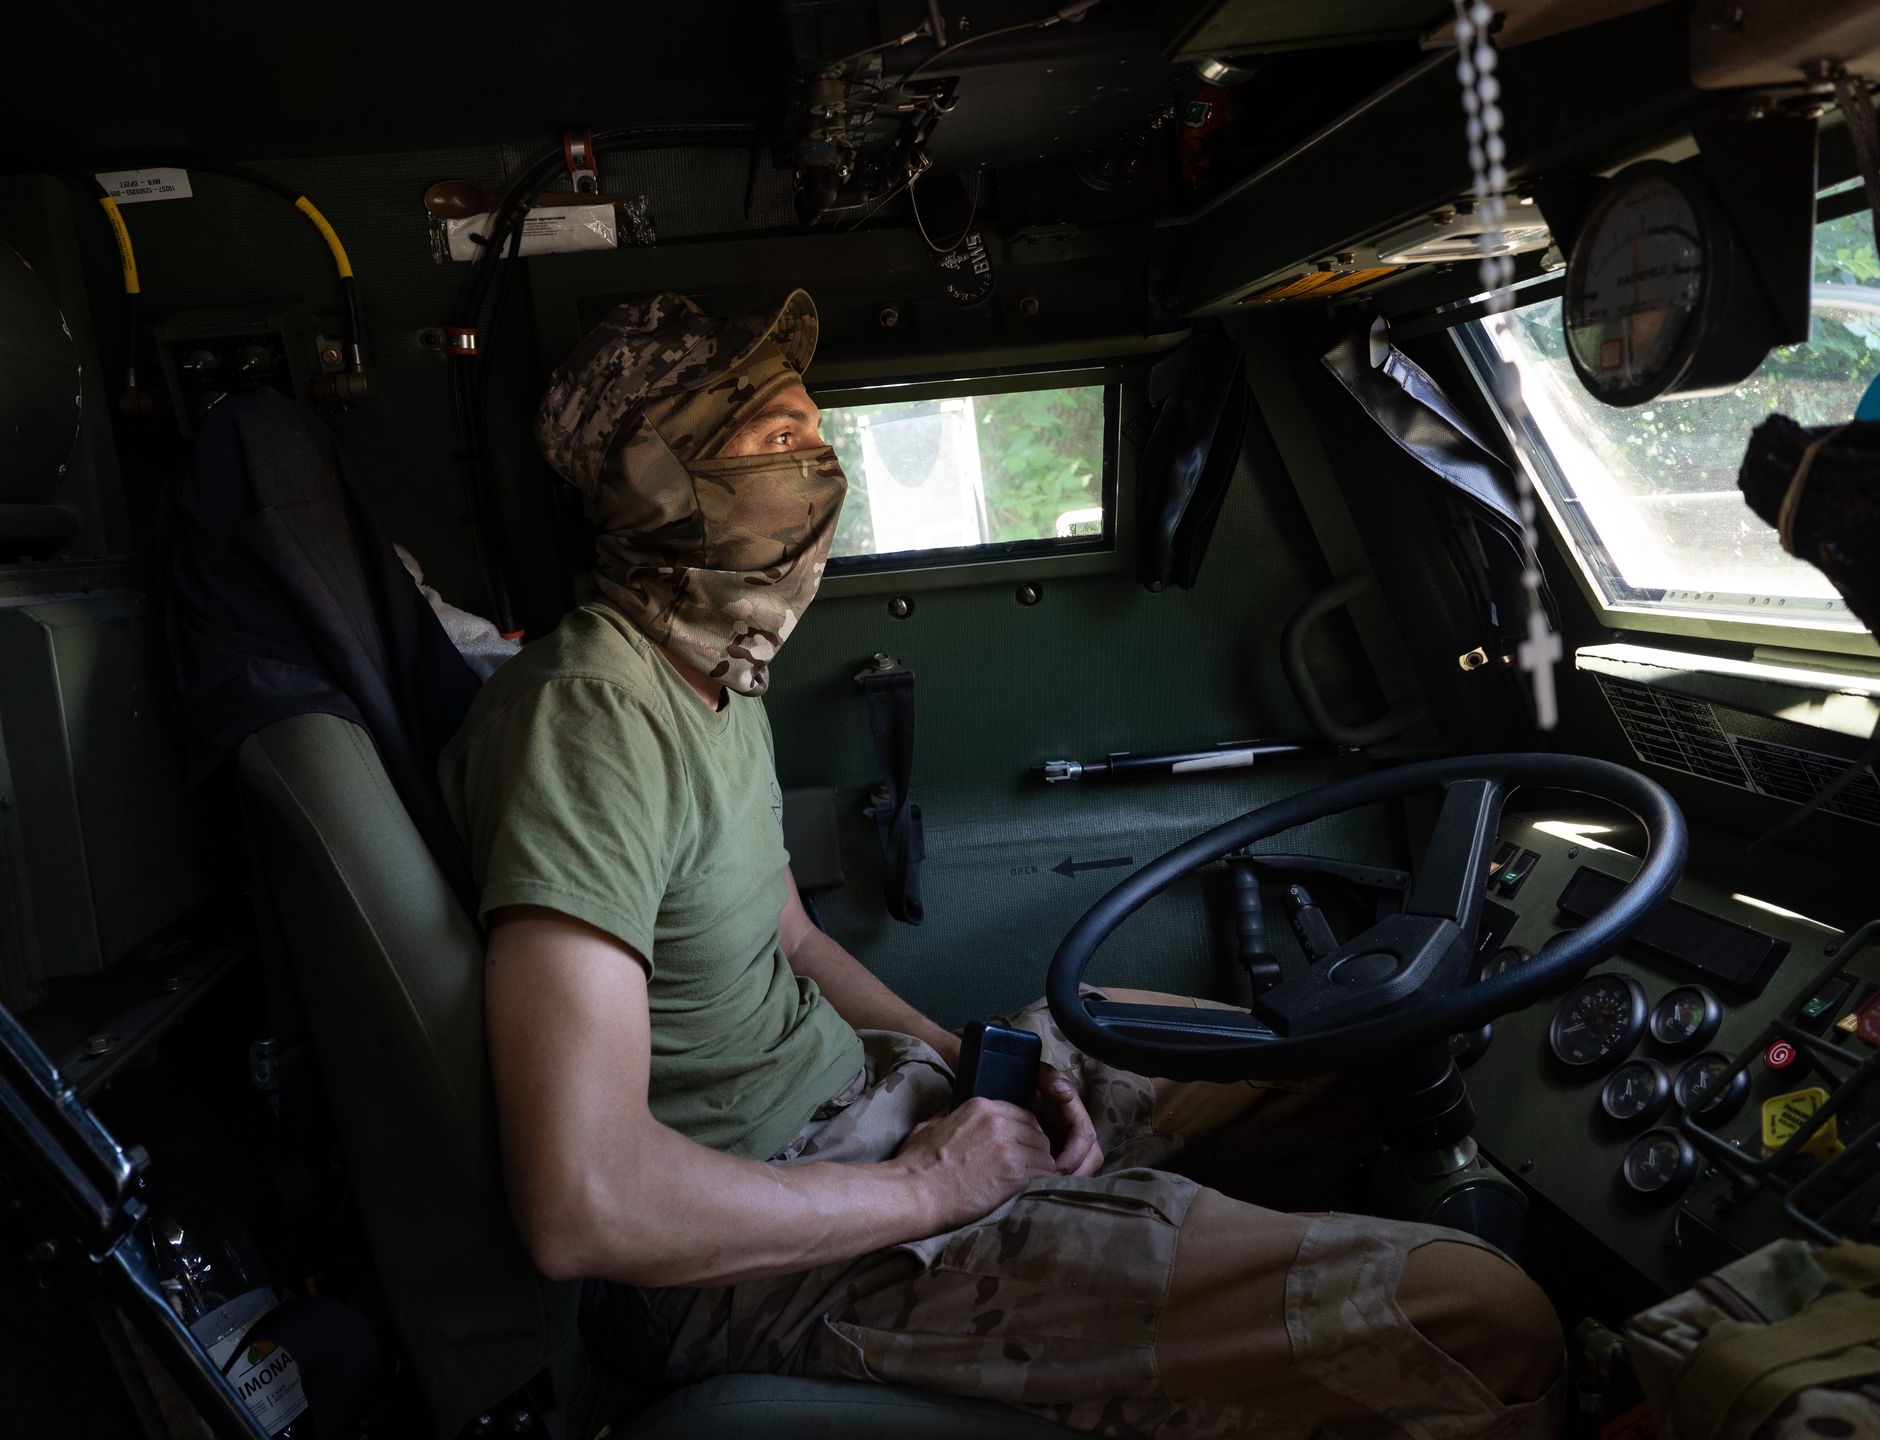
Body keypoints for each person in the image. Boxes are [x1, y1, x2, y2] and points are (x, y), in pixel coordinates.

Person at [438, 289, 1564, 1439]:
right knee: (1480, 1322)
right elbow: (586, 1204)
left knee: (1320, 1061)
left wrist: (974, 1062)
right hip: (766, 1253)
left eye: (818, 436)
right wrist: (933, 1187)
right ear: (659, 485)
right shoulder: (587, 718)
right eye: (778, 441)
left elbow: (797, 939)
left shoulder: (714, 673)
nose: (821, 471)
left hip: (881, 1100)